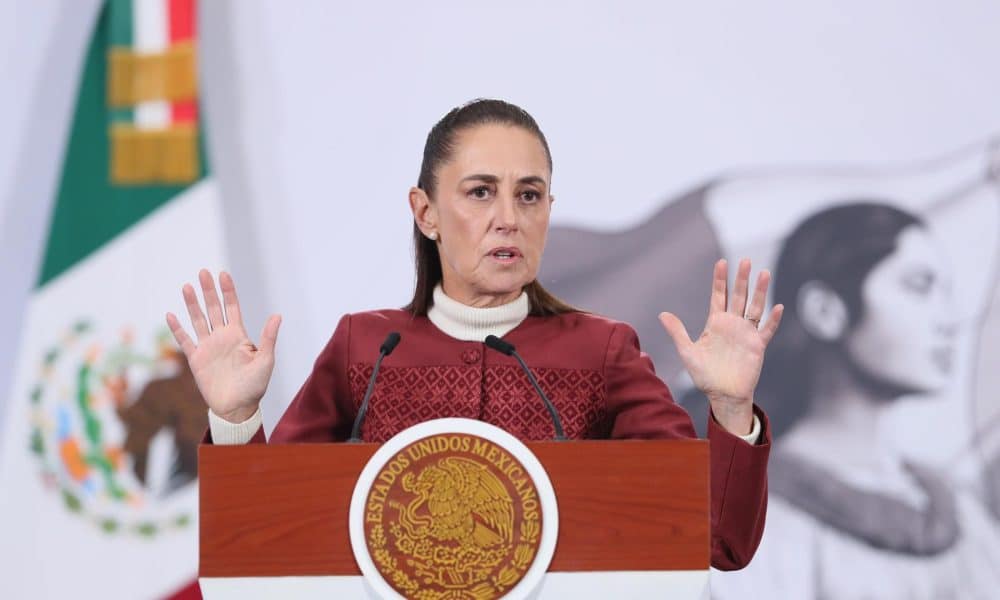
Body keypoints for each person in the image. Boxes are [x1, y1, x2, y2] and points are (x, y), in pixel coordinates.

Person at [166, 99, 782, 570]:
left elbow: (718, 541)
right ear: (426, 212)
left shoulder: (603, 352)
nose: (508, 219)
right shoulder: (367, 349)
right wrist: (238, 418)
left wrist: (729, 408)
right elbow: (263, 544)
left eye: (530, 195)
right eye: (481, 192)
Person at [710, 203, 1000, 598]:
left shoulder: (963, 515)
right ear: (826, 310)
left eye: (946, 293)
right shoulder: (751, 519)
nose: (949, 320)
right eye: (919, 286)